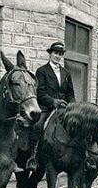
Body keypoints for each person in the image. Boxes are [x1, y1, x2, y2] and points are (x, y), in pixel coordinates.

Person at [26, 41, 76, 172]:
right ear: (50, 54)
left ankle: (76, 156)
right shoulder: (42, 71)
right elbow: (40, 92)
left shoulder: (66, 72)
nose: (57, 56)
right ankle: (33, 157)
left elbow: (70, 93)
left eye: (60, 54)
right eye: (55, 53)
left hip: (64, 107)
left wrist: (72, 105)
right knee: (37, 125)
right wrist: (53, 102)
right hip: (46, 107)